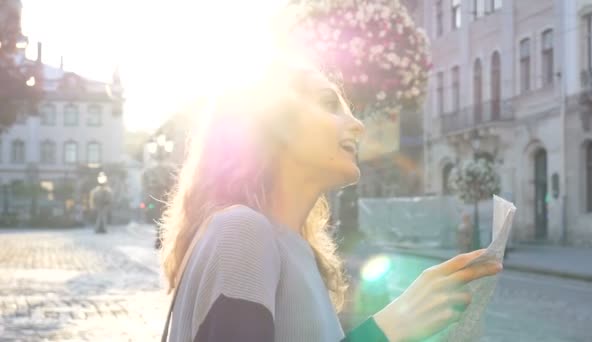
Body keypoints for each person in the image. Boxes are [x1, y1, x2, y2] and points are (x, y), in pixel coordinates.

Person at [159, 59, 502, 341]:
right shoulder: (242, 231)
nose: (358, 125)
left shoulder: (293, 248)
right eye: (328, 104)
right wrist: (391, 328)